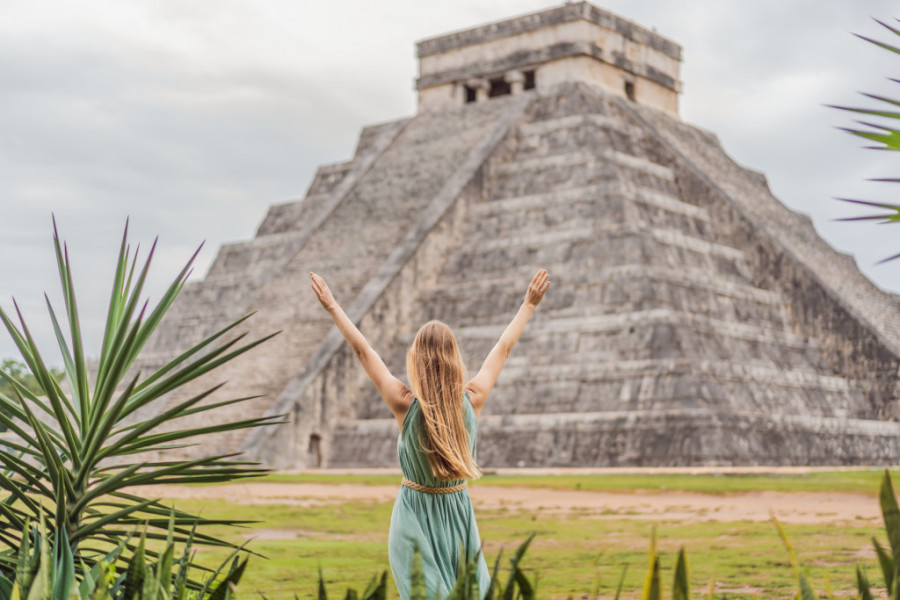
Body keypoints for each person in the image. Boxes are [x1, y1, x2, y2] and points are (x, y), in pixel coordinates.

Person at [309, 269, 551, 599]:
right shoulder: (473, 399)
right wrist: (528, 304)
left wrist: (333, 306)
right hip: (458, 517)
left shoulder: (403, 403)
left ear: (416, 360)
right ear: (454, 359)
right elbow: (503, 348)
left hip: (413, 517)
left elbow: (363, 351)